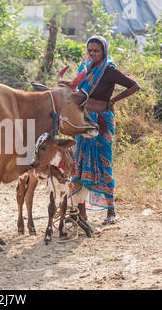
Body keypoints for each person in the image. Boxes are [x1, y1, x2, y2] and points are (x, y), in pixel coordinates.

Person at [68, 36, 140, 225]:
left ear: (104, 52)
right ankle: (80, 213)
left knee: (104, 164)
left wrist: (114, 100)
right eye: (90, 50)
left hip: (101, 123)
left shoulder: (109, 71)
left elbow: (134, 86)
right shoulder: (84, 69)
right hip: (81, 121)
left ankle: (111, 212)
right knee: (79, 164)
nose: (92, 54)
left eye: (96, 51)